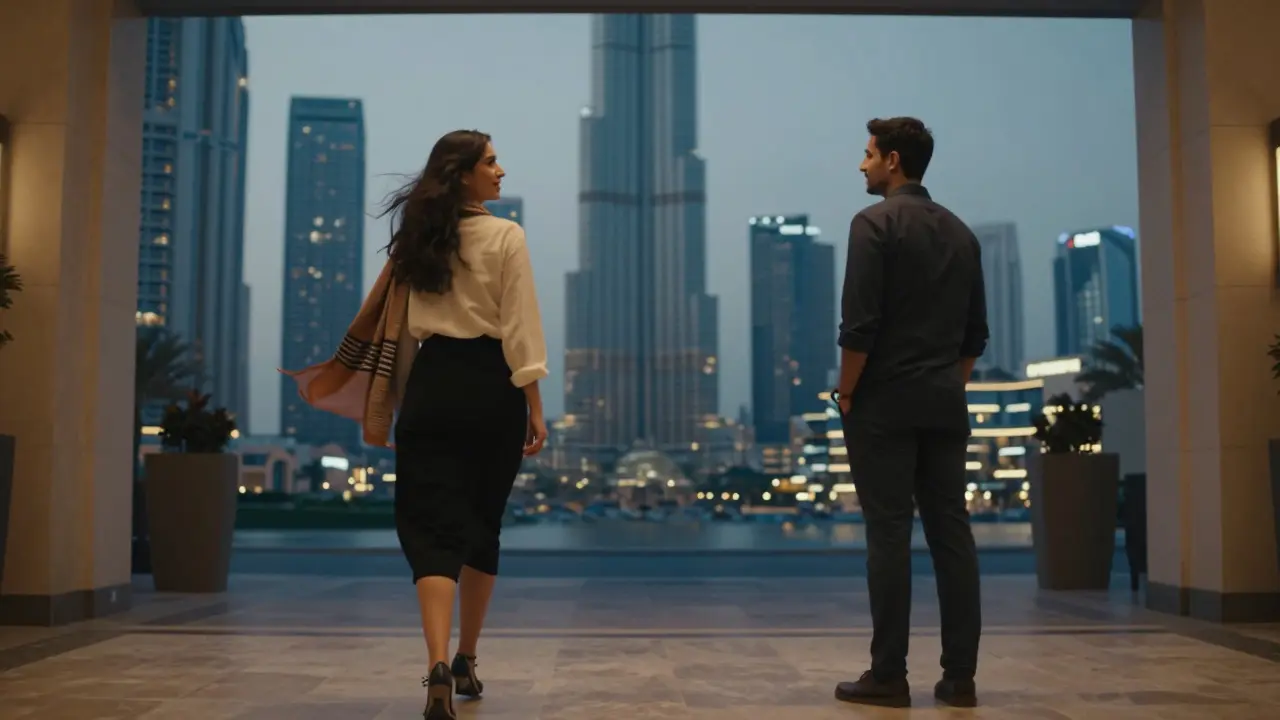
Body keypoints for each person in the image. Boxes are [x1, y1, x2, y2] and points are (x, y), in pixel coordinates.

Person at [281, 129, 548, 720]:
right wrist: (533, 404)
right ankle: (467, 658)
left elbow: (401, 330)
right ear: (462, 175)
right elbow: (520, 327)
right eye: (491, 162)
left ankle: (434, 664)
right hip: (491, 386)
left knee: (431, 526)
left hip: (430, 388)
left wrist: (406, 400)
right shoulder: (507, 236)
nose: (501, 171)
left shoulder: (418, 241)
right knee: (482, 522)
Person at [831, 117, 986, 709]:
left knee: (889, 536)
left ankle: (889, 675)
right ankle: (960, 679)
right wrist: (946, 384)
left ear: (893, 160)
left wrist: (847, 394)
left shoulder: (872, 224)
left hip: (883, 404)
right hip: (944, 403)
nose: (862, 164)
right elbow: (976, 335)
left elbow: (859, 327)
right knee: (953, 535)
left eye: (868, 154)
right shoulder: (961, 233)